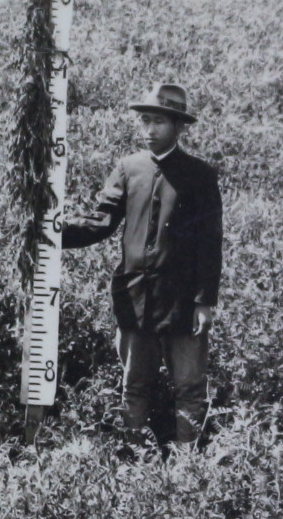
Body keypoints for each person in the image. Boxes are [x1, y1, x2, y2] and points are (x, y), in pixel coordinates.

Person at [62, 82, 224, 451]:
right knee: (134, 384)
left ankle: (188, 466)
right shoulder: (128, 168)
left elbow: (210, 244)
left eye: (159, 123)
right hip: (135, 296)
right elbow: (100, 222)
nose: (150, 130)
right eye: (145, 121)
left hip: (183, 301)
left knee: (189, 387)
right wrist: (53, 233)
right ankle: (133, 461)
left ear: (179, 127)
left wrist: (204, 301)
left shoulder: (200, 176)